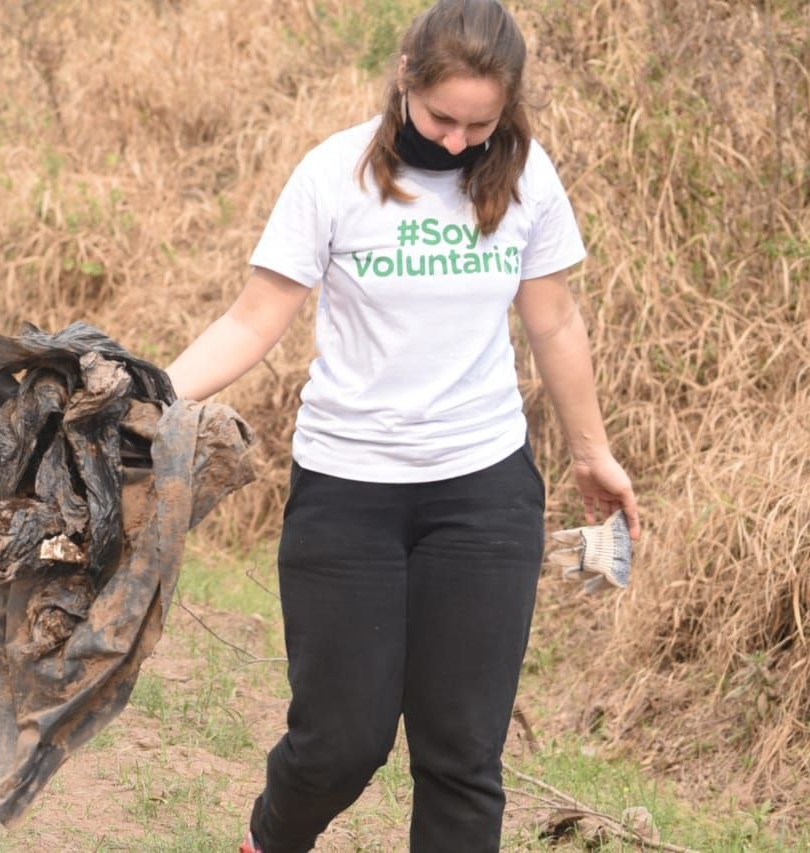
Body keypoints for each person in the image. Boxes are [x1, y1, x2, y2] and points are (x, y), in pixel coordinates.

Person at [163, 1, 641, 850]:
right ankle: (270, 840)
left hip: (484, 492)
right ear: (404, 80)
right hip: (349, 492)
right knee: (339, 744)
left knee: (461, 756)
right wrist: (150, 397)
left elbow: (556, 321)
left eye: (479, 124)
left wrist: (593, 452)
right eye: (440, 118)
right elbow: (252, 319)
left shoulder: (527, 177)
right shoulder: (332, 175)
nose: (457, 142)